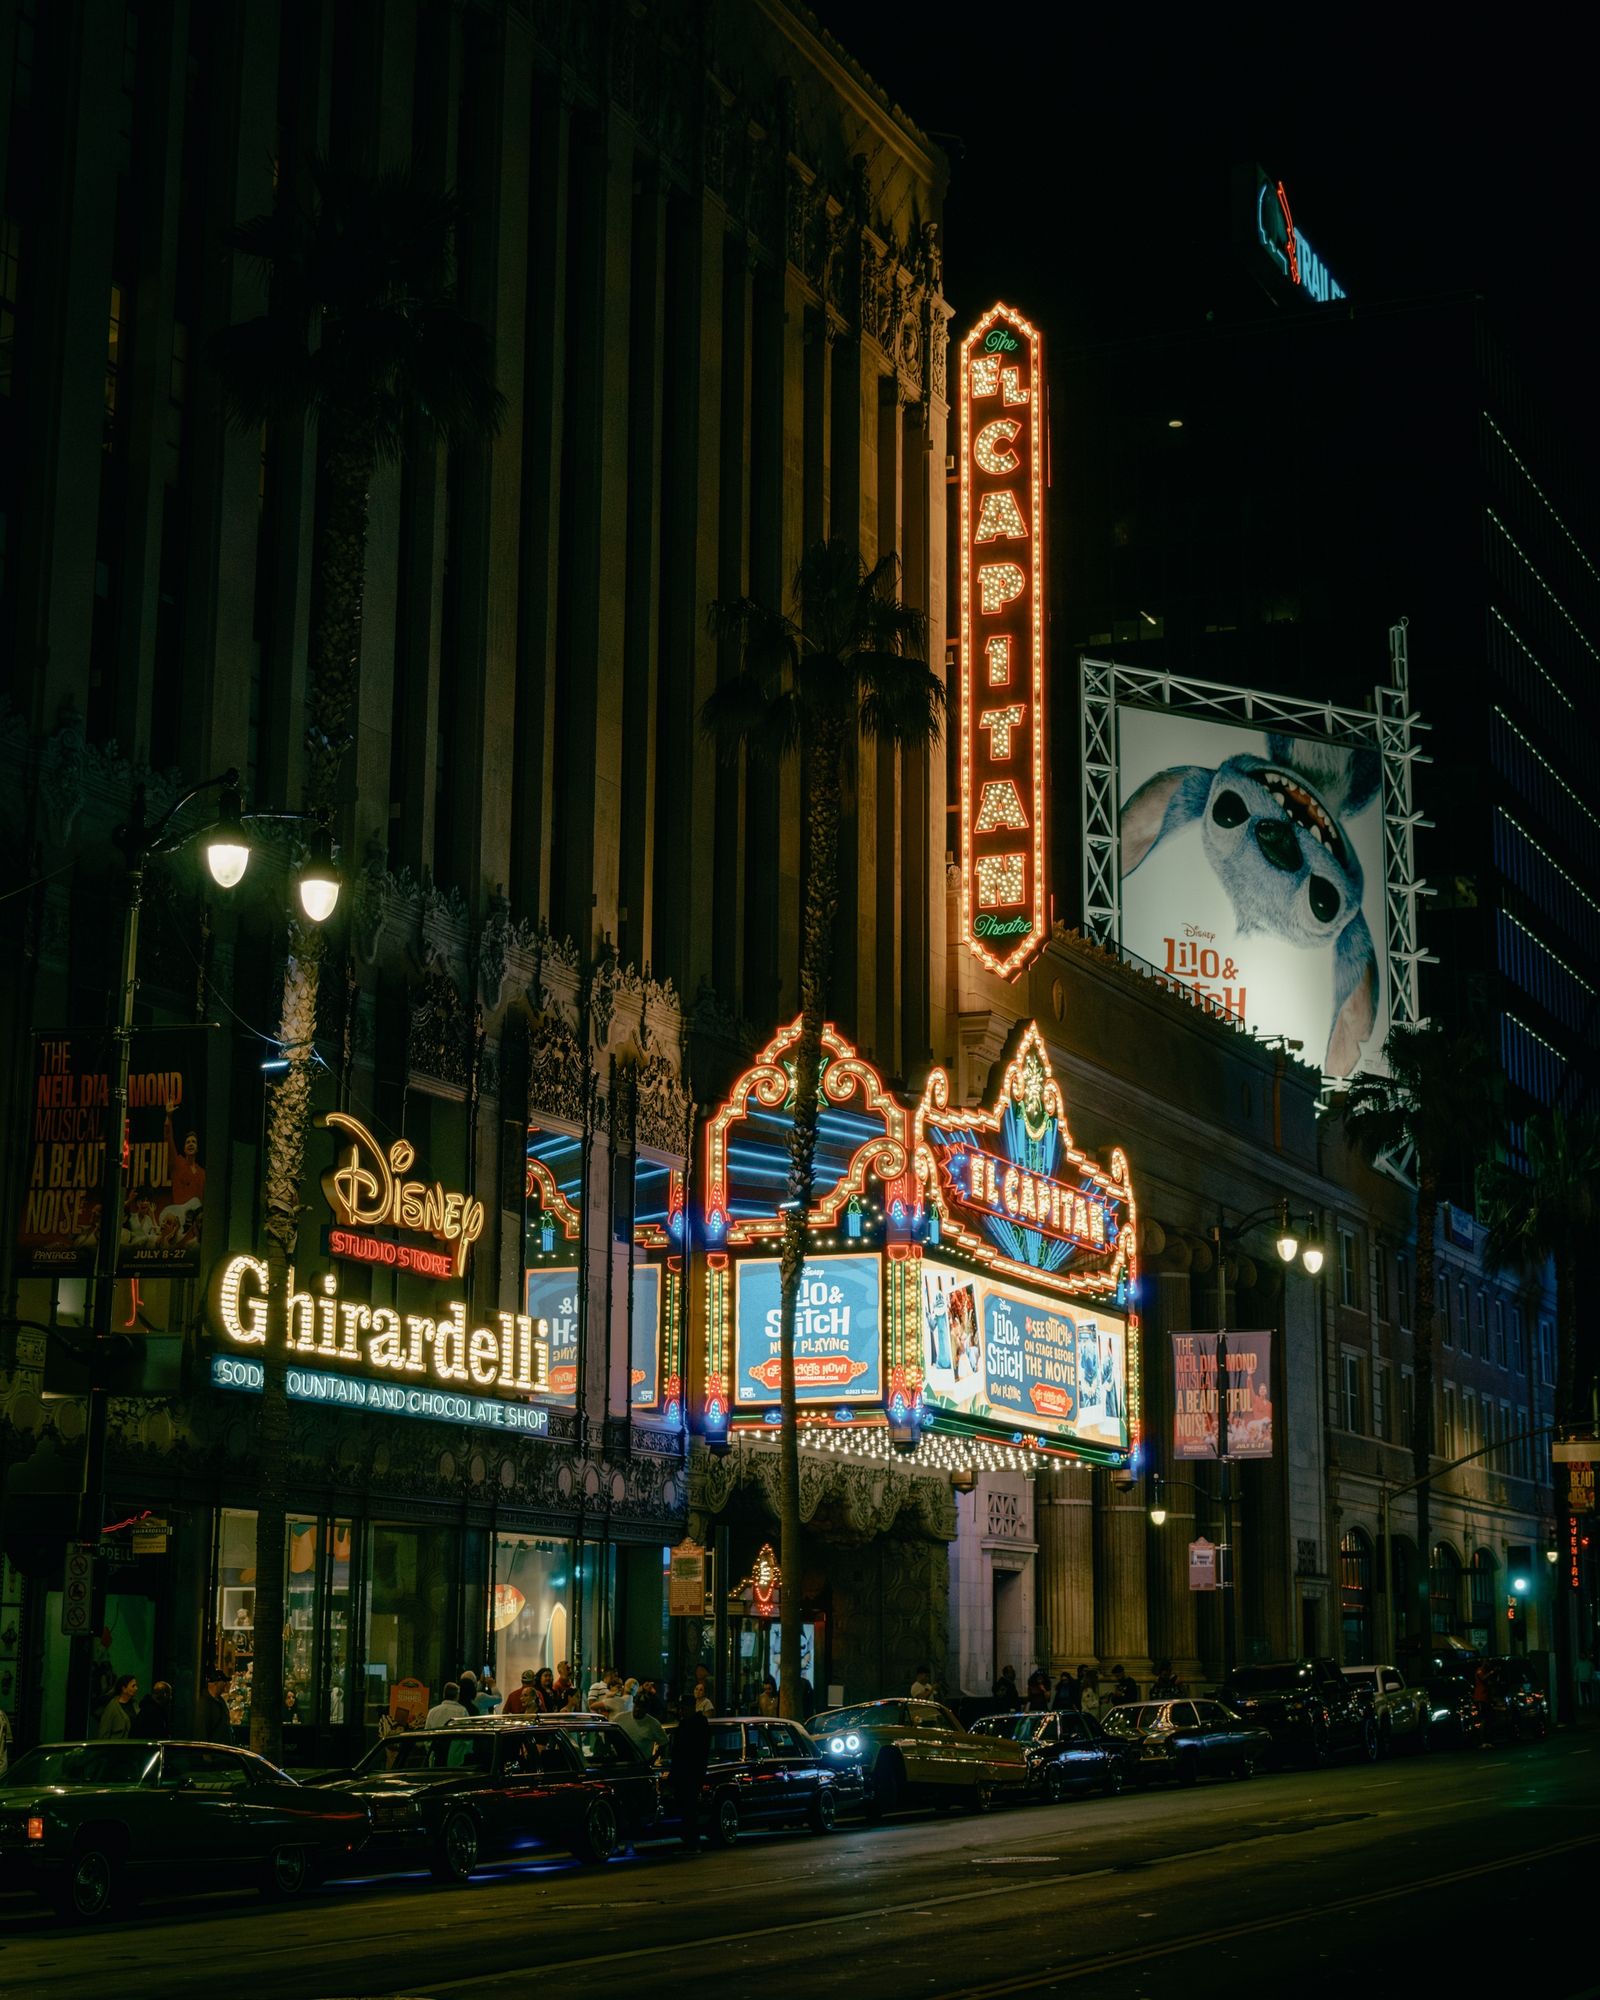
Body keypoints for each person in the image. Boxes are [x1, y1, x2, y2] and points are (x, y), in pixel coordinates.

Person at [669, 1693, 712, 1849]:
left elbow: (700, 1750)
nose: (682, 1711)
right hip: (683, 1771)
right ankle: (689, 1837)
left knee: (690, 1806)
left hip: (692, 1771)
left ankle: (692, 1839)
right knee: (685, 1805)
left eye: (684, 1708)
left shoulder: (699, 1723)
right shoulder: (684, 1724)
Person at [198, 1667, 232, 1742]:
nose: (225, 1684)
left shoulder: (221, 1700)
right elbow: (202, 1730)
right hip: (212, 1747)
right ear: (215, 1683)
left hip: (222, 1747)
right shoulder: (204, 1703)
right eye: (223, 1681)